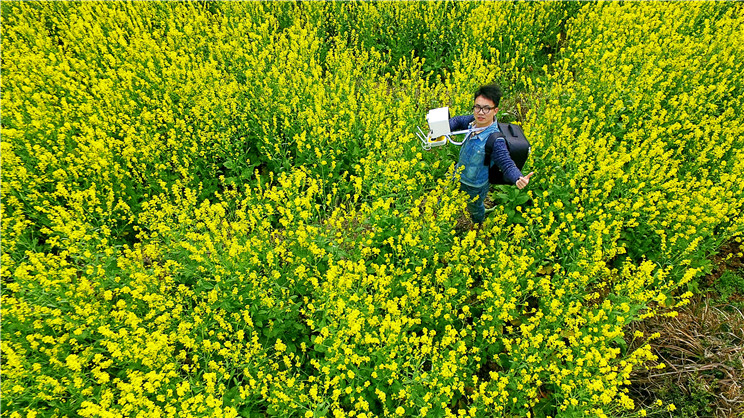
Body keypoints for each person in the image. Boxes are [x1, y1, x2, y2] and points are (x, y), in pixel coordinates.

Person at [449, 83, 534, 225]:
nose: (481, 112)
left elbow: (506, 163)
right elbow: (457, 120)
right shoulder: (472, 122)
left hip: (475, 184)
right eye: (478, 107)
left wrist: (518, 178)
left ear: (495, 111)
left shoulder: (495, 140)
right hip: (457, 172)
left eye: (487, 108)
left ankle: (478, 224)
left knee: (475, 208)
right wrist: (438, 130)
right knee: (446, 194)